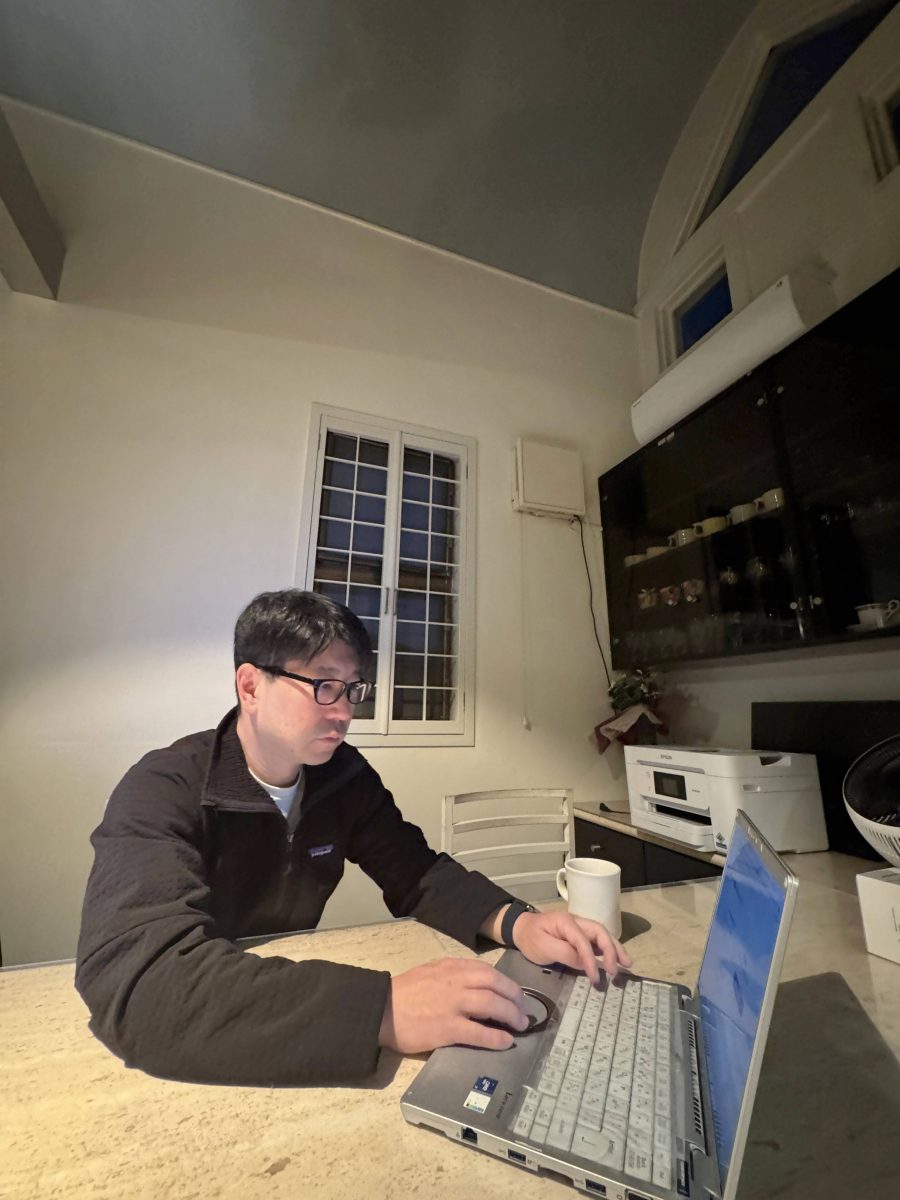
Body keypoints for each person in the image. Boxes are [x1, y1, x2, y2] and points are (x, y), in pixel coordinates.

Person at [75, 589, 631, 1086]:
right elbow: (142, 984)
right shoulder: (165, 786)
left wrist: (518, 922)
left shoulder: (343, 777)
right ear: (251, 685)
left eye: (351, 689)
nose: (344, 712)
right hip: (203, 1042)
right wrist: (382, 1009)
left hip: (290, 1012)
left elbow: (414, 871)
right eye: (322, 686)